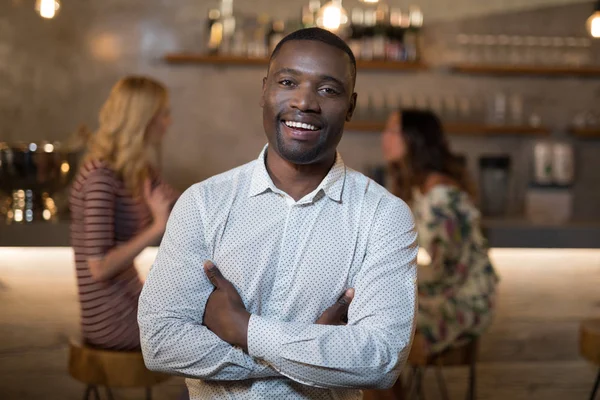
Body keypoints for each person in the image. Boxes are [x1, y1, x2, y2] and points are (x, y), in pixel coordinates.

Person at [138, 27, 418, 399]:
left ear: (350, 106)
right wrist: (313, 358)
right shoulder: (203, 203)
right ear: (265, 90)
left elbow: (380, 361)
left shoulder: (384, 218)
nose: (304, 102)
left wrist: (243, 328)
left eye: (328, 89)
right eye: (288, 81)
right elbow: (159, 342)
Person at [70, 75, 179, 351]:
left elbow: (183, 206)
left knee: (211, 317)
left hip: (134, 299)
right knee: (205, 334)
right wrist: (157, 227)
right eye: (164, 114)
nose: (169, 122)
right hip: (110, 319)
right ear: (143, 119)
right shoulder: (100, 177)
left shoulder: (139, 170)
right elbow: (100, 267)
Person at [381, 109, 499, 356]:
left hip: (464, 302)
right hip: (446, 293)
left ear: (414, 140)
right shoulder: (420, 189)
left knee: (372, 321)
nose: (384, 137)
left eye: (393, 131)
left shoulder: (440, 197)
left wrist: (394, 285)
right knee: (369, 315)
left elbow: (444, 271)